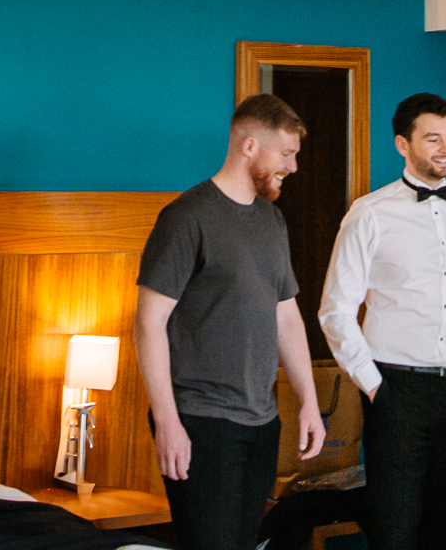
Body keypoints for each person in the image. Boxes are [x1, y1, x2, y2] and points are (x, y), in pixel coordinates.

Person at [136, 93, 328, 550]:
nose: (293, 167)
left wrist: (308, 401)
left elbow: (286, 316)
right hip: (201, 420)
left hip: (261, 422)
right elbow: (148, 324)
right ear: (248, 146)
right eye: (286, 154)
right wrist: (167, 421)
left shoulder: (272, 220)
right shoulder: (186, 218)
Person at [318, 92, 446, 550]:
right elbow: (335, 310)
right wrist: (375, 386)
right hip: (397, 390)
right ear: (403, 145)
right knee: (394, 529)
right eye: (433, 139)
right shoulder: (369, 214)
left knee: (443, 529)